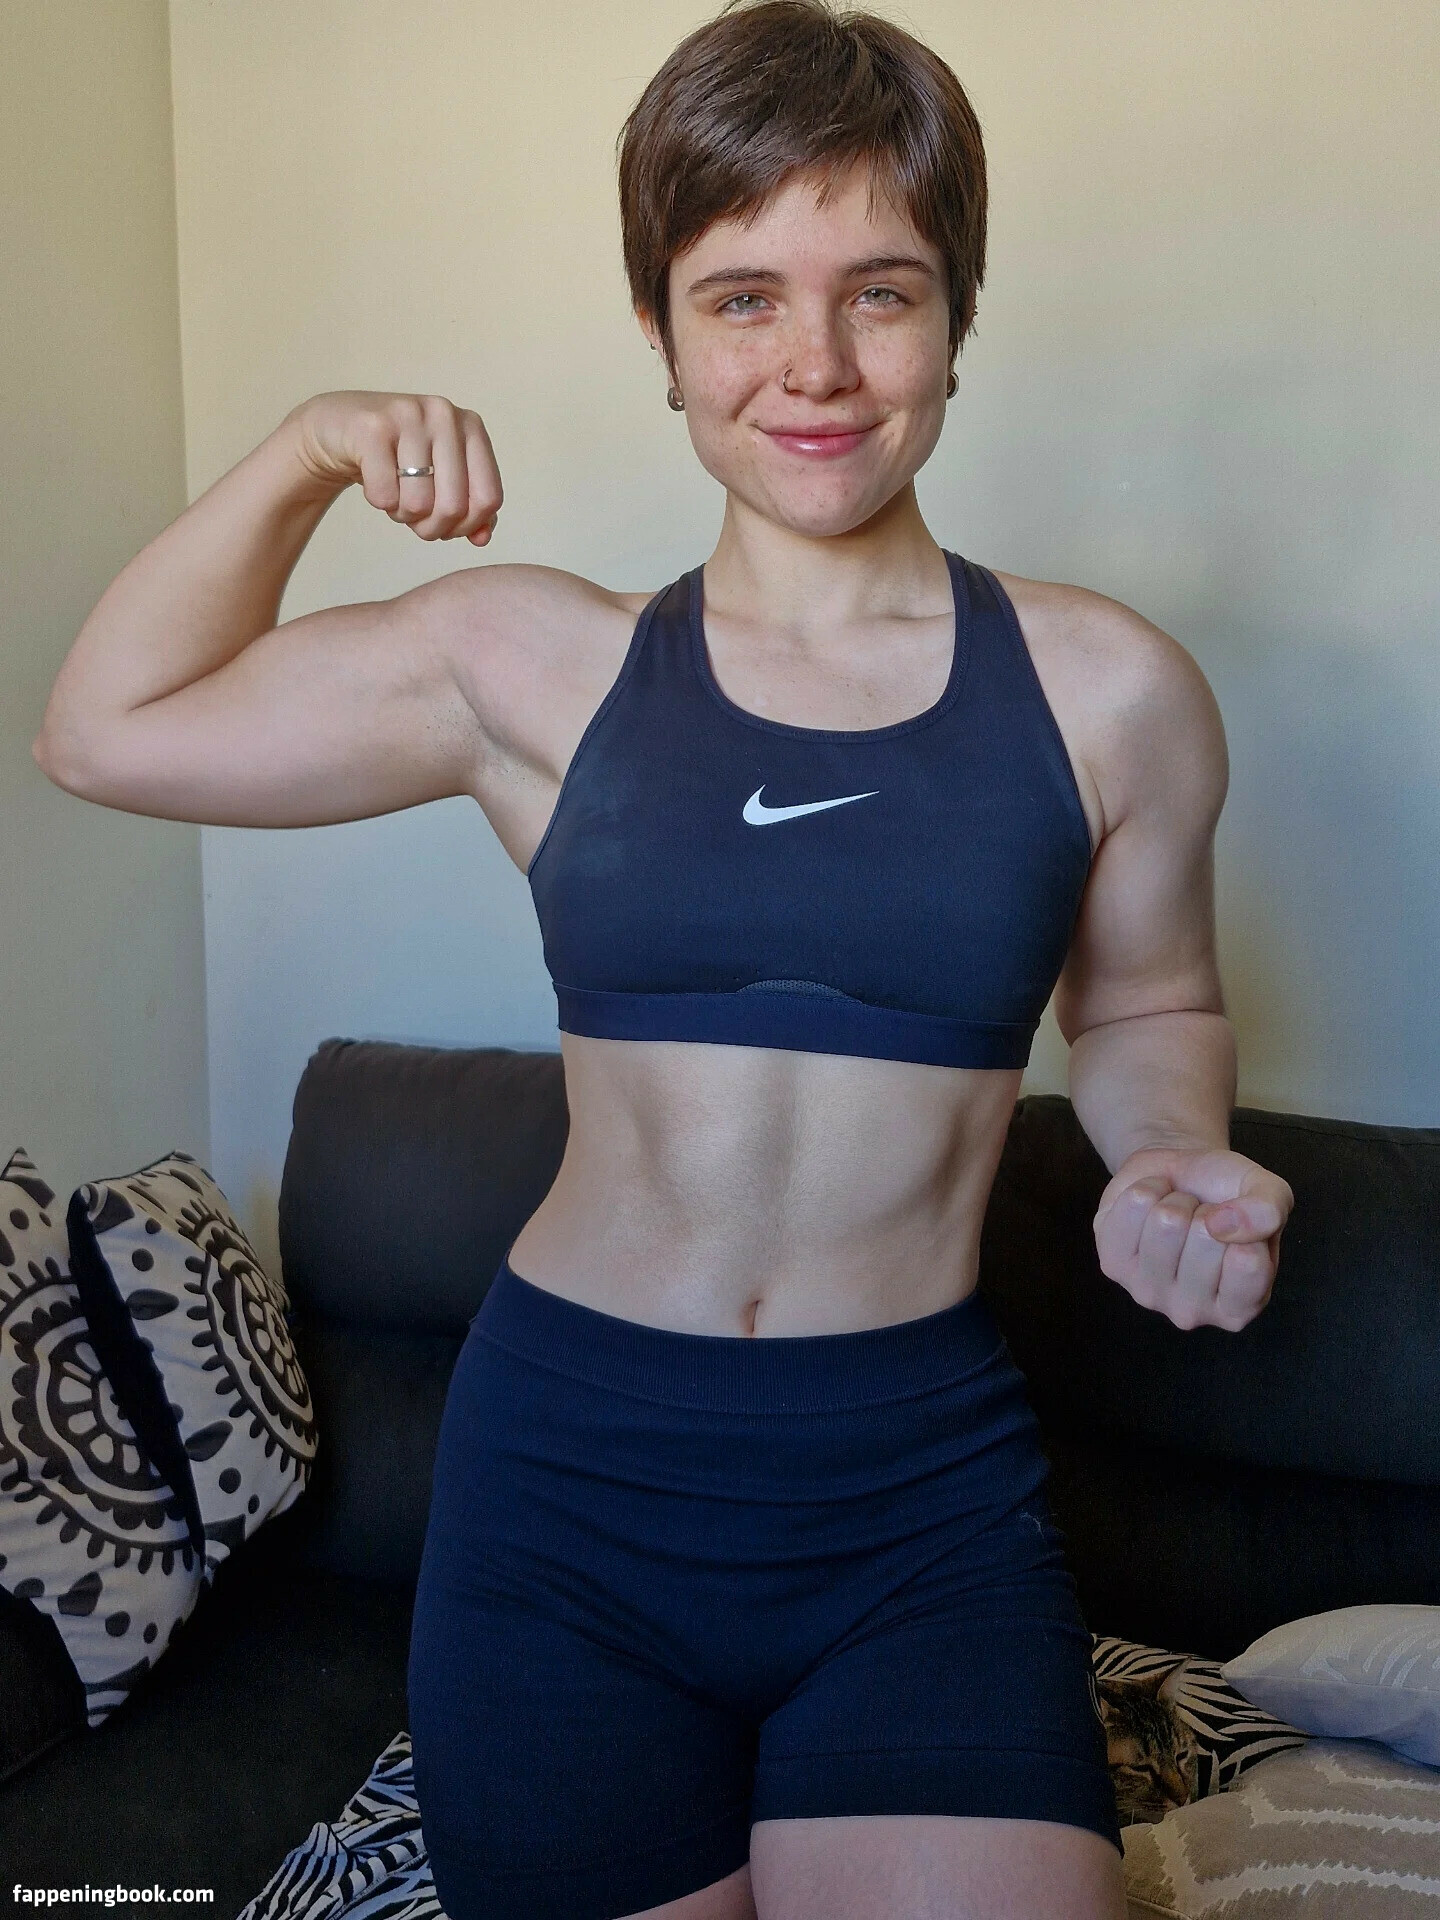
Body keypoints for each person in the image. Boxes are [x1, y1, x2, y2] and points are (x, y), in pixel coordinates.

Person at [32, 2, 1295, 1914]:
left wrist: (1170, 1149)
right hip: (568, 1498)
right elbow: (103, 731)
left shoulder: (1112, 690)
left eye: (881, 294)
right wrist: (302, 453)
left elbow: (1148, 1002)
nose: (816, 365)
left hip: (918, 1501)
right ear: (662, 331)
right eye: (742, 298)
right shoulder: (535, 663)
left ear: (957, 318)